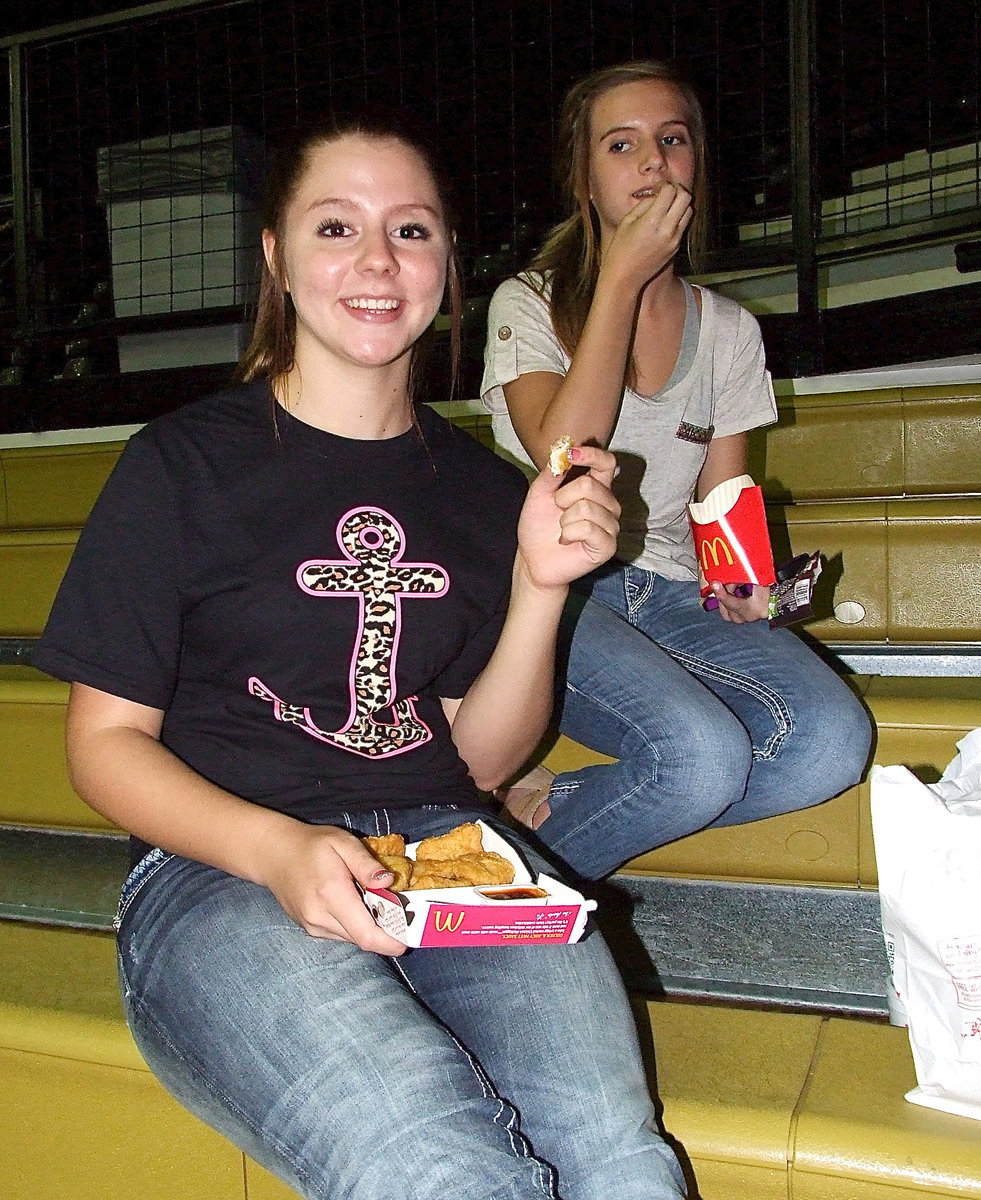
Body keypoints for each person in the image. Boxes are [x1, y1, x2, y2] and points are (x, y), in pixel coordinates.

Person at [34, 114, 688, 1200]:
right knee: (442, 1169)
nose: (378, 261)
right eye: (338, 226)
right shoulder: (181, 466)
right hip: (221, 873)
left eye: (412, 229)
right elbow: (103, 746)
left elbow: (475, 758)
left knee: (622, 1166)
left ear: (446, 266)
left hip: (449, 853)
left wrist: (538, 588)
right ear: (277, 260)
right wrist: (277, 849)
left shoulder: (480, 491)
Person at [480, 61, 872, 880]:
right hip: (548, 592)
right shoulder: (529, 300)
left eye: (672, 140)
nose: (653, 161)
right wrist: (619, 280)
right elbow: (563, 456)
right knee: (696, 756)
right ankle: (497, 912)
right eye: (621, 145)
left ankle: (544, 814)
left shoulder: (727, 329)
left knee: (830, 742)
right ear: (584, 178)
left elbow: (719, 495)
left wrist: (744, 581)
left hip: (663, 583)